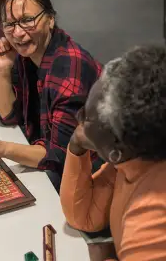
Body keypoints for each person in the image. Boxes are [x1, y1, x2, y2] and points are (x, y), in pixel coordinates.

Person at [0, 0, 102, 190]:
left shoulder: (69, 69)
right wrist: (1, 70)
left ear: (50, 19)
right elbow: (8, 115)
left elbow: (60, 155)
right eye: (9, 24)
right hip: (51, 154)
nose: (18, 33)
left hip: (94, 172)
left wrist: (2, 148)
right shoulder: (27, 53)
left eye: (28, 20)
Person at [60, 45, 166, 260]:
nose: (77, 118)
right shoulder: (136, 155)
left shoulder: (149, 222)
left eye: (86, 117)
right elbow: (84, 217)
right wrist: (76, 145)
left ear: (115, 148)